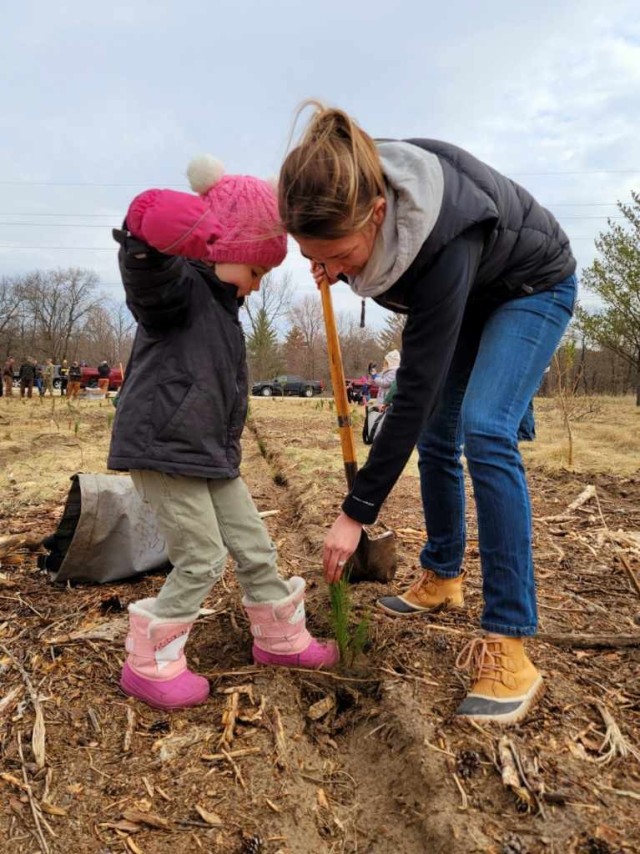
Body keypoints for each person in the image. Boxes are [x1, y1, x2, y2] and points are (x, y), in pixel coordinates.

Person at [278, 103, 577, 724]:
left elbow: (410, 392)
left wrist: (355, 512)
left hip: (530, 287)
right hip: (473, 295)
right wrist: (332, 257)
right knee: (439, 439)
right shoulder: (349, 187)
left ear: (380, 215)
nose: (330, 273)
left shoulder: (442, 232)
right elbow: (419, 404)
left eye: (337, 256)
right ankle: (442, 574)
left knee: (485, 429)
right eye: (318, 260)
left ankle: (511, 640)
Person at [108, 155, 337, 711]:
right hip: (165, 452)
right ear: (226, 251)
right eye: (257, 271)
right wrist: (148, 232)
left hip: (209, 455)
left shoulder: (224, 310)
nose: (258, 287)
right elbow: (147, 271)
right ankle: (150, 661)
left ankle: (280, 639)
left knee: (255, 546)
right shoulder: (179, 290)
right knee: (203, 557)